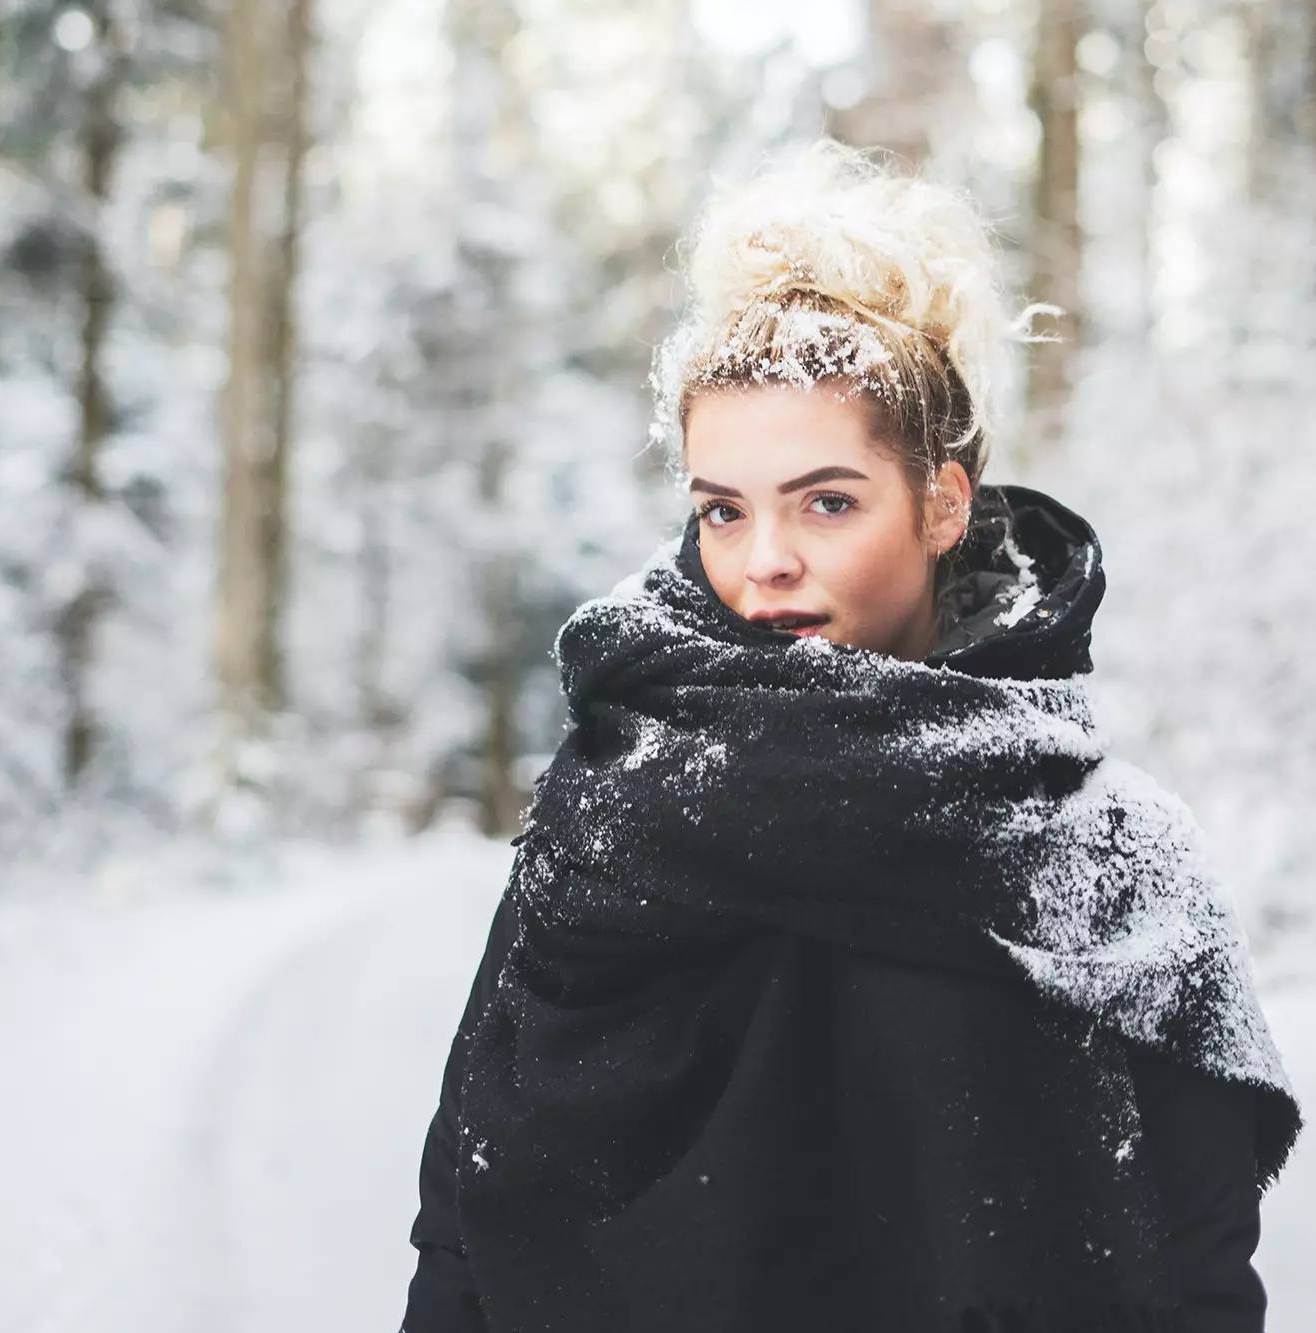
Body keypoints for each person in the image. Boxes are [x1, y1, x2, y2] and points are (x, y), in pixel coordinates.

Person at [398, 141, 1301, 1333]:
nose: (763, 559)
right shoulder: (618, 801)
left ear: (941, 501)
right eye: (723, 509)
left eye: (826, 500)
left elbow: (1195, 1272)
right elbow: (466, 1218)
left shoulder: (1105, 849)